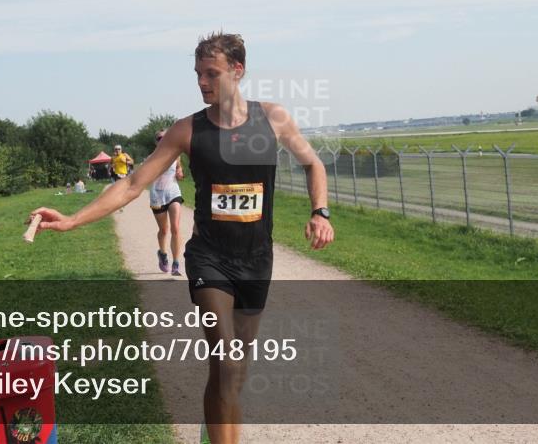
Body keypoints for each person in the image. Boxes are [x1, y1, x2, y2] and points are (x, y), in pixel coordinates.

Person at [29, 32, 334, 444]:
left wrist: (320, 212)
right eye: (197, 74)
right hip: (209, 258)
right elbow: (134, 183)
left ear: (238, 70)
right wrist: (72, 220)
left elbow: (314, 165)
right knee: (226, 360)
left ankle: (214, 429)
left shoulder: (273, 118)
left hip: (257, 259)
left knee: (235, 370)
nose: (202, 82)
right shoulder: (188, 130)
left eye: (212, 73)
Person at [149, 128, 185, 275]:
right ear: (156, 142)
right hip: (157, 195)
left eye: (165, 137)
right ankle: (162, 254)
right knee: (164, 230)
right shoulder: (151, 158)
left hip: (173, 193)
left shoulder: (176, 156)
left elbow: (179, 170)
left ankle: (176, 263)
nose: (162, 140)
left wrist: (180, 172)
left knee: (175, 228)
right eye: (159, 138)